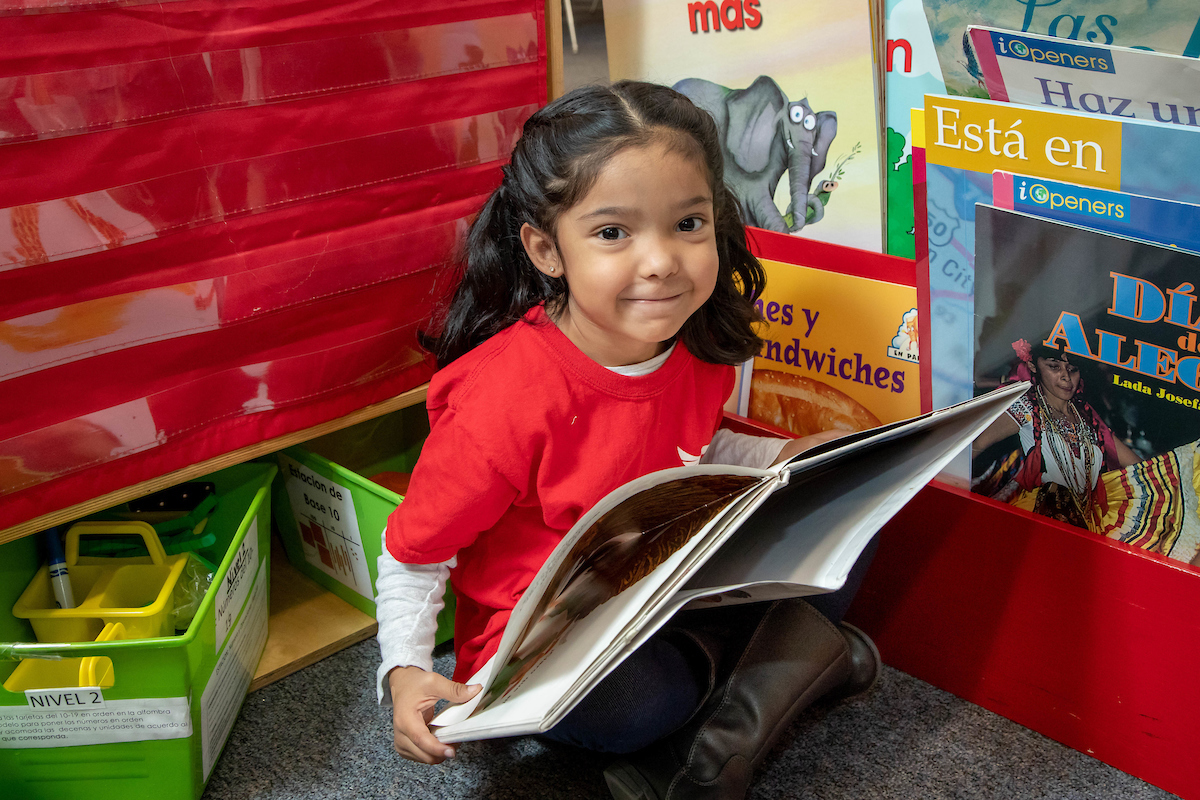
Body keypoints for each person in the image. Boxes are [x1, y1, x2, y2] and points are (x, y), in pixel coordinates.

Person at [373, 81, 881, 800]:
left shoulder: (698, 343)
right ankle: (788, 672)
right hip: (558, 642)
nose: (662, 262)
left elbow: (684, 454)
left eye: (688, 225)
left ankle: (722, 737)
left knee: (848, 504)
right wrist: (403, 670)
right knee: (638, 704)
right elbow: (412, 554)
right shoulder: (502, 399)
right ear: (547, 249)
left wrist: (779, 461)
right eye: (613, 233)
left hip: (673, 580)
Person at [972, 337, 1141, 529]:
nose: (1066, 377)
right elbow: (972, 446)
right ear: (1033, 366)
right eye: (1054, 367)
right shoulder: (1025, 407)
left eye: (1072, 369)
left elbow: (1141, 468)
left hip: (1082, 527)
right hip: (1035, 524)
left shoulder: (1088, 418)